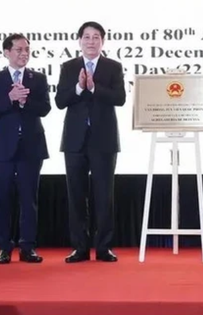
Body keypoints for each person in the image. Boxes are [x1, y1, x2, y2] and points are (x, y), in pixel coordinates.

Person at [55, 21, 125, 263]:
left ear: (102, 41)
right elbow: (60, 101)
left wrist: (94, 88)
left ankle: (104, 247)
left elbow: (120, 98)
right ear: (80, 41)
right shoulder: (68, 67)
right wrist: (78, 87)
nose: (91, 41)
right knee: (76, 195)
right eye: (87, 37)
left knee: (104, 195)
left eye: (96, 37)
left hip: (103, 141)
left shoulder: (113, 67)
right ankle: (80, 247)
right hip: (74, 141)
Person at [0, 33, 50, 264]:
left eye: (27, 50)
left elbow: (45, 108)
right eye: (19, 50)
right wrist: (10, 98)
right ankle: (3, 247)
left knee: (29, 198)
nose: (24, 54)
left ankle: (28, 247)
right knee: (3, 198)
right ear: (6, 52)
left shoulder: (38, 78)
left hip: (31, 146)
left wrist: (25, 102)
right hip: (2, 148)